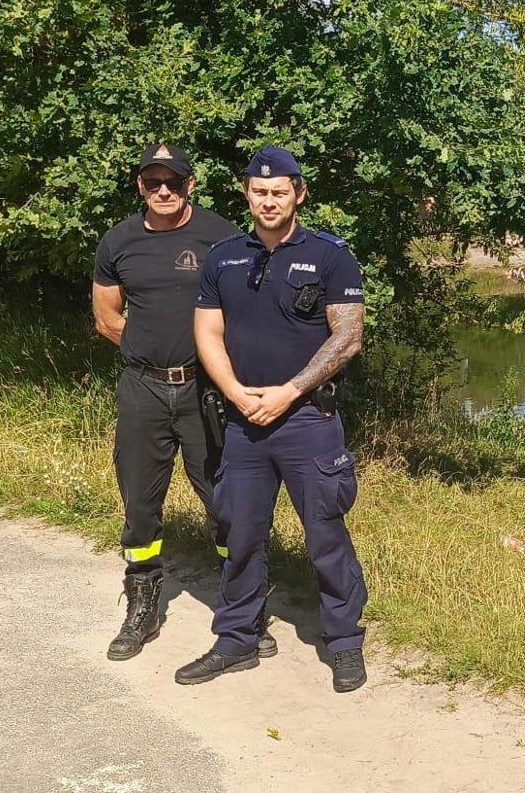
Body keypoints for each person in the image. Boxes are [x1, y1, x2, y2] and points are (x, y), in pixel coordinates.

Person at [178, 145, 369, 690]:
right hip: (243, 421)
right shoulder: (223, 258)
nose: (268, 201)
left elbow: (348, 336)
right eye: (259, 192)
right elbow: (207, 332)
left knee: (325, 533)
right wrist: (235, 392)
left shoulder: (331, 256)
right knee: (239, 531)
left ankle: (344, 642)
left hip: (306, 419)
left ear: (298, 194)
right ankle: (237, 639)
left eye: (278, 192)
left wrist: (289, 391)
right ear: (247, 194)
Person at [91, 143, 275, 661]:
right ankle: (143, 600)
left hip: (206, 391)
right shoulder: (119, 241)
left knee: (224, 499)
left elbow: (250, 306)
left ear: (190, 185)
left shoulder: (221, 236)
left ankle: (243, 609)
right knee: (140, 503)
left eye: (173, 182)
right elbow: (107, 318)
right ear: (141, 187)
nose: (163, 191)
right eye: (153, 183)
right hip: (143, 389)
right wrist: (151, 345)